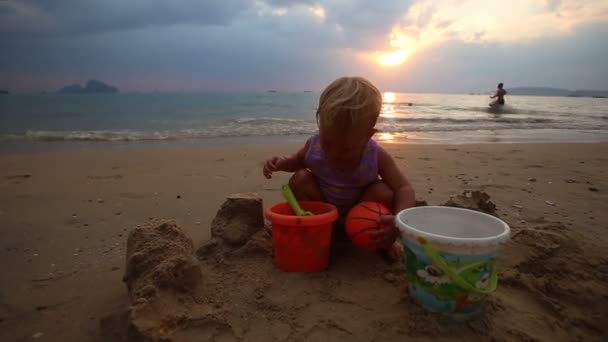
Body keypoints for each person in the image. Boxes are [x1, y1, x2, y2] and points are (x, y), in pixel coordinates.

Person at [262, 76, 416, 260]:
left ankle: (380, 239)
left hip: (361, 216)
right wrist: (280, 163)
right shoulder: (314, 146)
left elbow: (403, 188)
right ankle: (320, 231)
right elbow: (296, 161)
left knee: (384, 192)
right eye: (328, 143)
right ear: (320, 124)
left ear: (368, 136)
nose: (334, 153)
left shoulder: (374, 154)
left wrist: (398, 223)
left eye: (346, 148)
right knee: (300, 178)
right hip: (324, 211)